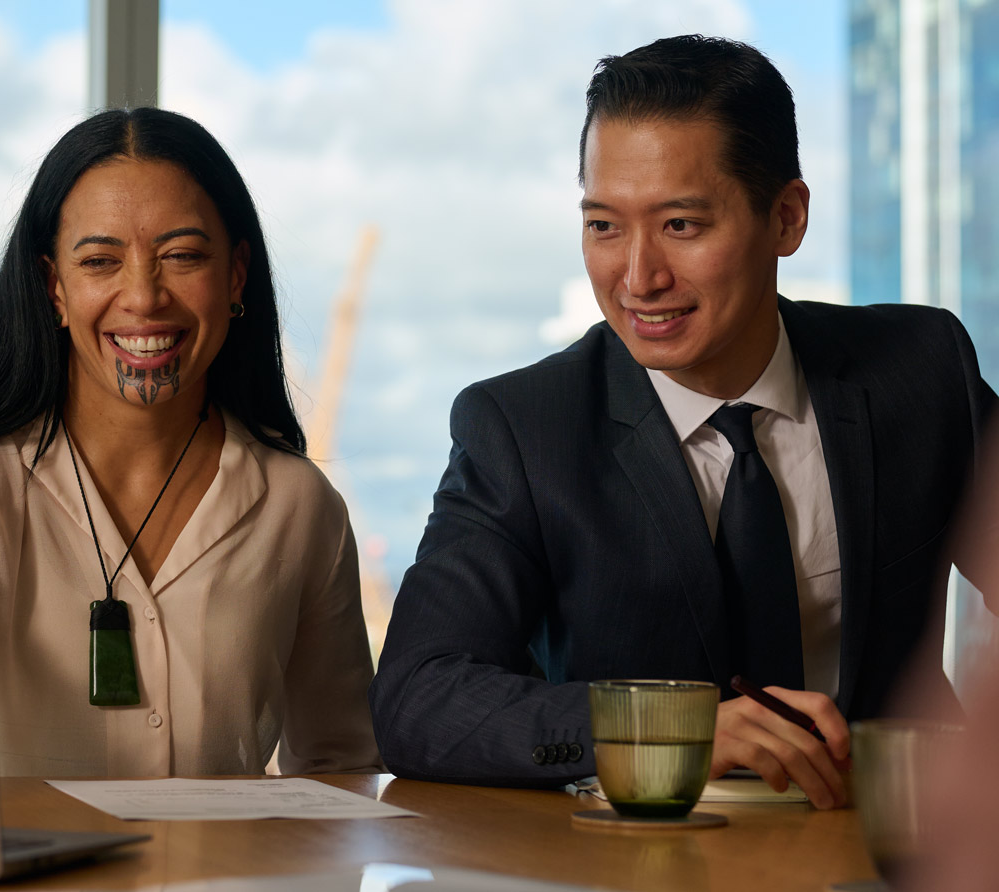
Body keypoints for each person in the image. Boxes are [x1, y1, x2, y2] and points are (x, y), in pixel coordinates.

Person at [369, 35, 994, 809]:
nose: (638, 278)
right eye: (604, 226)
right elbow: (417, 699)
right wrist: (665, 728)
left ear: (787, 219)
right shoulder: (524, 429)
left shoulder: (919, 369)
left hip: (894, 846)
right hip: (637, 856)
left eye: (681, 226)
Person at [0, 107, 380, 777]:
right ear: (54, 288)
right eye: (100, 260)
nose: (143, 297)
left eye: (182, 256)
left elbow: (340, 768)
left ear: (235, 276)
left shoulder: (301, 508)